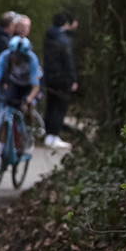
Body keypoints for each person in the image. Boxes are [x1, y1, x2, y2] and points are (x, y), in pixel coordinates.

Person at [0, 35, 42, 166]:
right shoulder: (4, 56)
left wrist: (29, 99)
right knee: (6, 114)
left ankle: (26, 137)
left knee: (27, 109)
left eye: (19, 57)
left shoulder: (32, 59)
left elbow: (36, 87)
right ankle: (0, 153)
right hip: (15, 84)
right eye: (14, 56)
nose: (16, 59)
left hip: (29, 86)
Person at [42, 12, 78, 149]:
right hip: (62, 78)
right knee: (60, 106)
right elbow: (68, 61)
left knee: (50, 105)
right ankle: (54, 135)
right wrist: (73, 79)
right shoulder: (63, 40)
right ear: (66, 24)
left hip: (50, 76)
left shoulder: (49, 36)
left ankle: (47, 134)